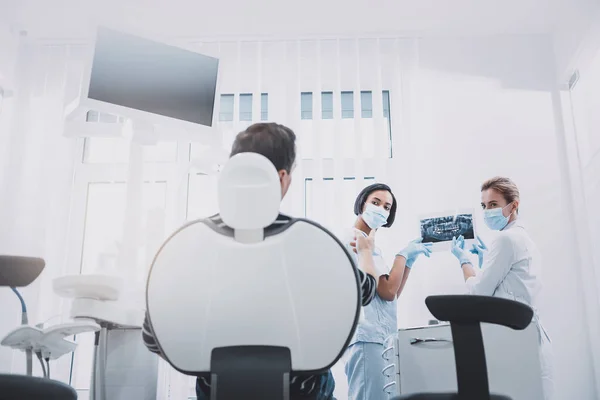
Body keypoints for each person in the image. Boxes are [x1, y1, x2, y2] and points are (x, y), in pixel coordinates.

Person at [142, 122, 381, 400]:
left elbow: (153, 336)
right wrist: (365, 253)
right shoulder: (314, 244)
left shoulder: (186, 247)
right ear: (281, 178)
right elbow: (365, 292)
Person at [450, 176, 553, 399]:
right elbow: (508, 284)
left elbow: (478, 293)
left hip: (515, 338)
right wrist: (485, 262)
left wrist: (464, 261)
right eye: (484, 206)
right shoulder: (523, 239)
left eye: (493, 205)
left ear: (513, 205)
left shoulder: (506, 240)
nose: (487, 211)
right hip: (526, 335)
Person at [343, 183, 432, 400]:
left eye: (387, 207)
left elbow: (390, 295)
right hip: (367, 337)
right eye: (376, 202)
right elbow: (388, 290)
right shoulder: (355, 241)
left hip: (378, 338)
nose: (382, 209)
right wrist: (402, 256)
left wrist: (408, 262)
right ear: (362, 202)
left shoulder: (372, 246)